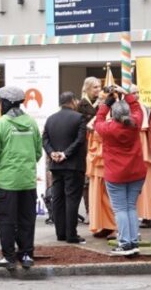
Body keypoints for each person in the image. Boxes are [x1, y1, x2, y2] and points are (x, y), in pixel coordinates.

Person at [0, 86, 42, 270]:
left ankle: (8, 257)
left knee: (6, 220)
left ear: (7, 103)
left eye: (1, 102)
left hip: (6, 182)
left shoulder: (1, 124)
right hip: (27, 181)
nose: (0, 105)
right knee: (27, 219)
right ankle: (26, 255)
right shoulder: (32, 123)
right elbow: (38, 152)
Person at [94, 86, 145, 256]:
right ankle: (133, 242)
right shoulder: (135, 123)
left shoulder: (108, 129)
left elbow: (98, 120)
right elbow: (138, 109)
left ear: (113, 115)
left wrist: (106, 104)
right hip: (137, 172)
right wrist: (126, 93)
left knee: (121, 209)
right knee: (131, 207)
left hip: (116, 174)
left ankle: (125, 243)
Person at [42, 92, 87, 244]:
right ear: (72, 101)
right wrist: (65, 154)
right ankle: (71, 234)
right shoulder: (79, 118)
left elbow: (45, 140)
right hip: (73, 166)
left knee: (58, 199)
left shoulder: (50, 119)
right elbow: (80, 140)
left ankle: (60, 233)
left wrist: (52, 153)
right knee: (72, 200)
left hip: (56, 166)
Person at [79, 77, 116, 237]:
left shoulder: (110, 107)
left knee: (105, 191)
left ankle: (108, 224)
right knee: (90, 187)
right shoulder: (82, 106)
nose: (98, 90)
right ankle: (91, 215)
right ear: (86, 88)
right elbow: (84, 126)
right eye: (95, 87)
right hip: (90, 149)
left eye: (99, 87)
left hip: (103, 151)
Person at [129, 85, 151, 228]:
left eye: (137, 92)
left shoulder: (147, 110)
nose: (136, 95)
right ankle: (129, 216)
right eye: (133, 93)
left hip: (145, 151)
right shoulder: (122, 109)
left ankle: (147, 217)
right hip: (129, 151)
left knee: (147, 185)